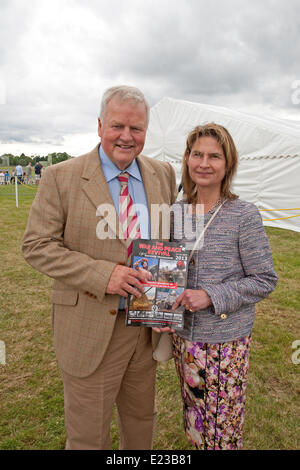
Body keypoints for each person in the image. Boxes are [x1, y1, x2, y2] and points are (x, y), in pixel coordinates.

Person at [22, 85, 177, 450]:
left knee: (140, 423)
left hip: (145, 328)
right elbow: (36, 246)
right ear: (99, 126)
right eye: (117, 126)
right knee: (89, 435)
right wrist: (103, 274)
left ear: (146, 131)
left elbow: (168, 245)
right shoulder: (62, 176)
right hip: (89, 327)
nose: (127, 136)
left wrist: (167, 297)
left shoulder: (163, 174)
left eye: (136, 129)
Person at [154, 123, 278, 450]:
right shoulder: (177, 212)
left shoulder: (243, 215)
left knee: (221, 429)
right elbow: (167, 267)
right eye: (197, 154)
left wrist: (211, 296)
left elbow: (264, 280)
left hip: (225, 344)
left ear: (228, 164)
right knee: (195, 419)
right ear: (187, 159)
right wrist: (162, 309)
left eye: (214, 156)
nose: (204, 163)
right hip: (185, 341)